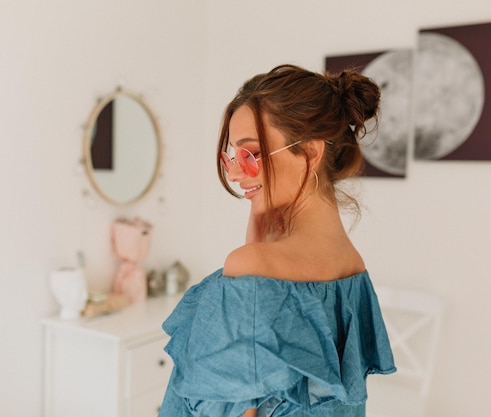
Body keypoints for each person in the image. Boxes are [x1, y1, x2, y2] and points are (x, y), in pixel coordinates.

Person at [158, 64, 396, 417]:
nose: (236, 172)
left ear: (311, 153)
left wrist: (252, 260)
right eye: (231, 156)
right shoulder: (354, 270)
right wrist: (257, 249)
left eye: (250, 154)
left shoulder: (254, 266)